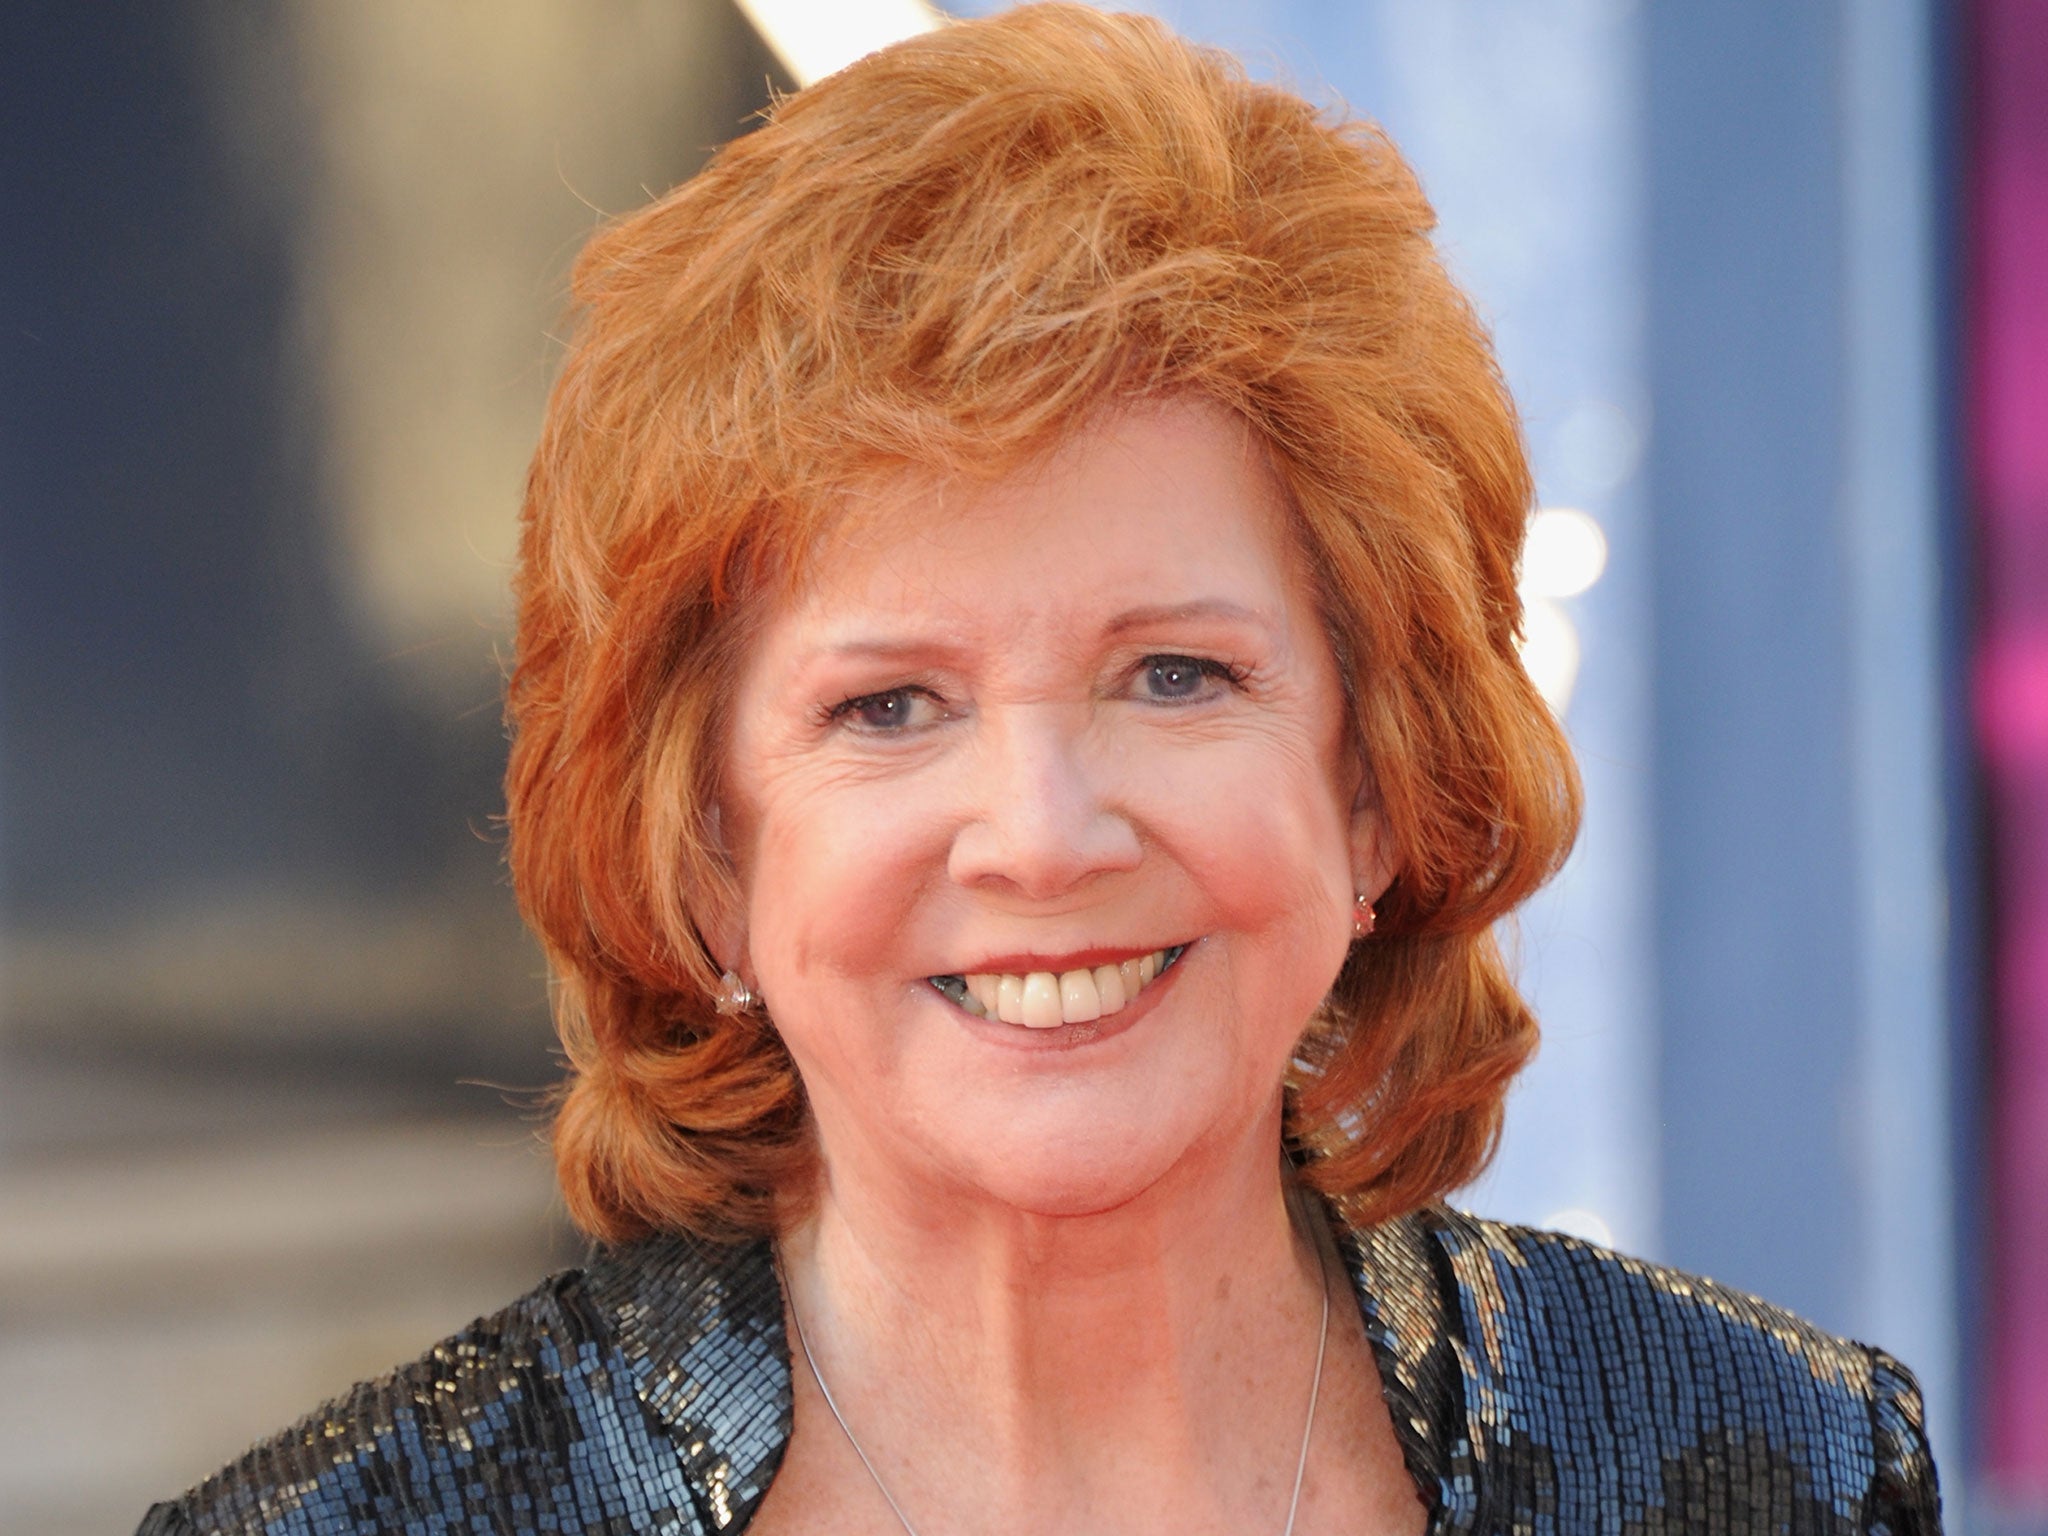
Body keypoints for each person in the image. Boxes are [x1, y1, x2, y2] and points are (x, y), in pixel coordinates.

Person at [140, 6, 1941, 1533]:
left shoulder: (1770, 1462)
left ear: (1380, 782)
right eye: (891, 708)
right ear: (701, 851)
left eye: (1175, 674)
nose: (1045, 833)